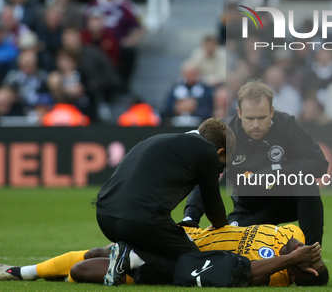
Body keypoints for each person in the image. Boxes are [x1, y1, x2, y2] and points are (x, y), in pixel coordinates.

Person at [183, 81, 328, 247]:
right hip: (249, 209)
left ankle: (312, 256)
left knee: (306, 184)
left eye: (262, 117)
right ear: (239, 113)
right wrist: (190, 217)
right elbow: (207, 177)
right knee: (232, 253)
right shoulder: (227, 134)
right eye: (250, 118)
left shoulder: (286, 125)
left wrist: (276, 170)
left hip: (285, 201)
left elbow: (319, 164)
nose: (256, 125)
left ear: (272, 111)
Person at [95, 118, 235, 286]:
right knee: (198, 265)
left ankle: (126, 257)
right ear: (220, 151)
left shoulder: (160, 139)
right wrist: (223, 227)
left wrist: (191, 219)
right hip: (141, 221)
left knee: (164, 256)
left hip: (105, 217)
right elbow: (212, 200)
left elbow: (202, 186)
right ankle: (130, 257)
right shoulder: (208, 151)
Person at [0, 223, 327, 286]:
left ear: (302, 273)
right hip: (185, 235)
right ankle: (21, 272)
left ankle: (64, 274)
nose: (307, 250)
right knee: (105, 248)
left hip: (181, 262)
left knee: (87, 270)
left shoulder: (277, 276)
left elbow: (242, 271)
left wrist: (290, 261)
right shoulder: (292, 233)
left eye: (310, 259)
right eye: (312, 252)